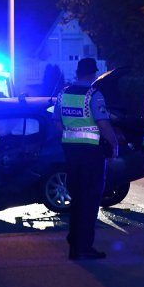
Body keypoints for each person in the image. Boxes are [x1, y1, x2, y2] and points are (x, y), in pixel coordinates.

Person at [54, 58, 119, 260]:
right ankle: (84, 248)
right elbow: (103, 125)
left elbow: (56, 123)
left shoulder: (63, 93)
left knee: (77, 200)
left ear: (78, 72)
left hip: (71, 154)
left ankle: (75, 244)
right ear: (93, 74)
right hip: (91, 155)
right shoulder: (94, 95)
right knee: (89, 201)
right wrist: (115, 144)